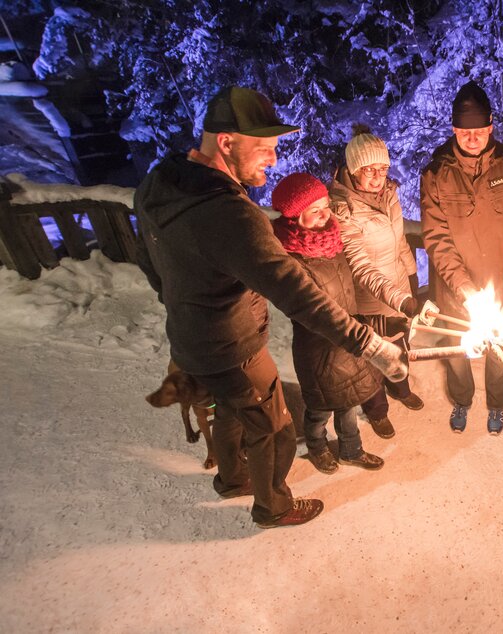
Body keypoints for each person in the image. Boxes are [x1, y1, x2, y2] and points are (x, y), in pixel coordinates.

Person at [135, 86, 407, 529]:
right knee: (274, 428)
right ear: (227, 142)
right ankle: (274, 507)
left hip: (189, 339)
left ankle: (231, 478)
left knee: (227, 412)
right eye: (265, 149)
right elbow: (295, 290)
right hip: (234, 346)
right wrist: (368, 343)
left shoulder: (158, 183)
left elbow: (149, 257)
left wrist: (182, 301)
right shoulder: (230, 214)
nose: (274, 159)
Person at [272, 173, 404, 474]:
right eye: (314, 211)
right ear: (295, 217)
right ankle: (318, 447)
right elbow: (317, 314)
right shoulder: (291, 261)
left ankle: (351, 450)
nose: (324, 215)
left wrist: (384, 319)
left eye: (326, 207)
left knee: (348, 401)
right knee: (319, 408)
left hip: (350, 341)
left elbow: (347, 296)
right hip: (319, 351)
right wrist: (370, 329)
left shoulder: (333, 242)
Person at [421, 80, 503, 434]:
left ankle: (496, 404)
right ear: (454, 130)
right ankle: (462, 399)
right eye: (465, 132)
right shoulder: (436, 174)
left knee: (500, 350)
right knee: (456, 350)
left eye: (480, 131)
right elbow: (436, 237)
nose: (473, 138)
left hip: (500, 283)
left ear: (490, 128)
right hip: (456, 288)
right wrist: (464, 288)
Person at [329, 125, 422, 440]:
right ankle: (377, 411)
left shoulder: (388, 194)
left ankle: (401, 388)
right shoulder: (343, 209)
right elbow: (360, 267)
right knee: (372, 357)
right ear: (353, 171)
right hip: (369, 300)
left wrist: (412, 275)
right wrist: (400, 298)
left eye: (382, 169)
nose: (376, 176)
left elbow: (399, 242)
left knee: (399, 344)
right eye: (368, 170)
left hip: (398, 289)